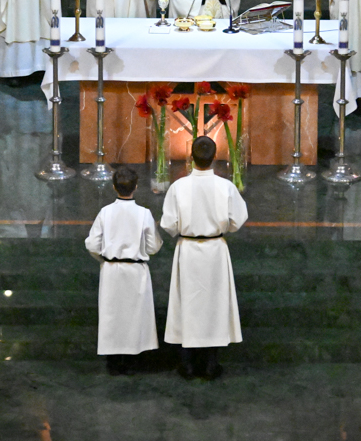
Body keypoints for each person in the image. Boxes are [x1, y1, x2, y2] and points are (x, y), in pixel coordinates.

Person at [161, 135, 248, 380]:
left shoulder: (178, 187)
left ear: (191, 157)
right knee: (215, 305)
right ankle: (211, 363)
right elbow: (238, 219)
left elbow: (169, 224)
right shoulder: (225, 187)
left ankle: (187, 364)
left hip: (188, 249)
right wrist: (220, 228)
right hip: (215, 249)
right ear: (214, 157)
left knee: (187, 303)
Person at [84, 168, 163, 375]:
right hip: (136, 269)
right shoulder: (144, 214)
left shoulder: (105, 212)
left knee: (112, 316)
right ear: (136, 187)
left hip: (111, 269)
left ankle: (113, 361)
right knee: (134, 316)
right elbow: (153, 246)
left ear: (113, 187)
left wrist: (104, 259)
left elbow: (92, 244)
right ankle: (132, 361)